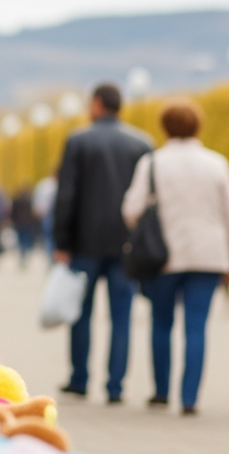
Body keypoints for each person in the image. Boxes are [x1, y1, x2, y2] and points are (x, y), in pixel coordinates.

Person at [121, 102, 229, 416]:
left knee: (161, 324)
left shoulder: (152, 163)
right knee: (197, 326)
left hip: (164, 256)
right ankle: (190, 398)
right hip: (209, 256)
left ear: (165, 128)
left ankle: (161, 392)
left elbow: (131, 210)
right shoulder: (216, 163)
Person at [53, 83, 153, 403]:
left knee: (80, 313)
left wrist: (62, 240)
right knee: (121, 316)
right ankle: (115, 387)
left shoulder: (78, 140)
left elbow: (66, 195)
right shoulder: (142, 143)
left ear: (96, 104)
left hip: (84, 243)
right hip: (126, 243)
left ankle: (80, 379)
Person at [11, 185, 38, 269]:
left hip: (19, 223)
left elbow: (13, 212)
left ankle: (22, 255)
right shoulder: (29, 200)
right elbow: (33, 213)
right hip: (28, 223)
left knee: (20, 240)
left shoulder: (16, 200)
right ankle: (25, 255)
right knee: (26, 240)